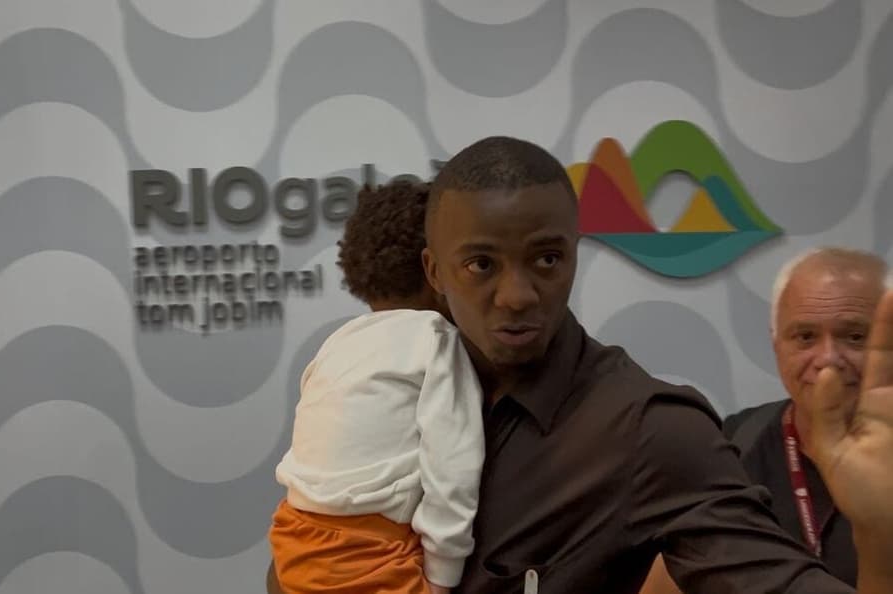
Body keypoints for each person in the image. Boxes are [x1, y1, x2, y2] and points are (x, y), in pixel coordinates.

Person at [269, 136, 893, 593]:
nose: (516, 294)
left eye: (545, 260)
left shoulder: (649, 429)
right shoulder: (379, 381)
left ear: (573, 255)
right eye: (481, 265)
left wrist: (880, 536)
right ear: (436, 272)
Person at [269, 181, 485, 593]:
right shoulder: (436, 338)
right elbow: (454, 469)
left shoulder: (338, 342)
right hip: (368, 556)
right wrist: (442, 577)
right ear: (435, 269)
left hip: (294, 540)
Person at [638, 247, 891, 594]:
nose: (829, 359)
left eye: (855, 336)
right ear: (776, 344)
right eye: (805, 336)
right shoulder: (731, 446)